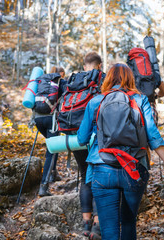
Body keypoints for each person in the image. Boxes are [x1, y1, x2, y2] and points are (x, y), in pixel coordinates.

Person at [77, 63, 164, 239]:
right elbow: (153, 136)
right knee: (129, 222)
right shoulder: (140, 100)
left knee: (109, 230)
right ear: (131, 79)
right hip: (134, 168)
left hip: (102, 168)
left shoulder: (95, 101)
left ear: (107, 79)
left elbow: (81, 139)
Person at [67, 52, 104, 239]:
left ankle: (85, 223)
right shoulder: (101, 79)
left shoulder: (73, 80)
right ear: (99, 65)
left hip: (75, 135)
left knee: (84, 175)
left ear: (84, 66)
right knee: (98, 176)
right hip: (96, 136)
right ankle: (97, 226)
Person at [34, 66, 67, 196]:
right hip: (51, 119)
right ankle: (44, 186)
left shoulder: (41, 81)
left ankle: (54, 174)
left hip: (37, 119)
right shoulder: (61, 81)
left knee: (54, 144)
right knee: (51, 151)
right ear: (61, 74)